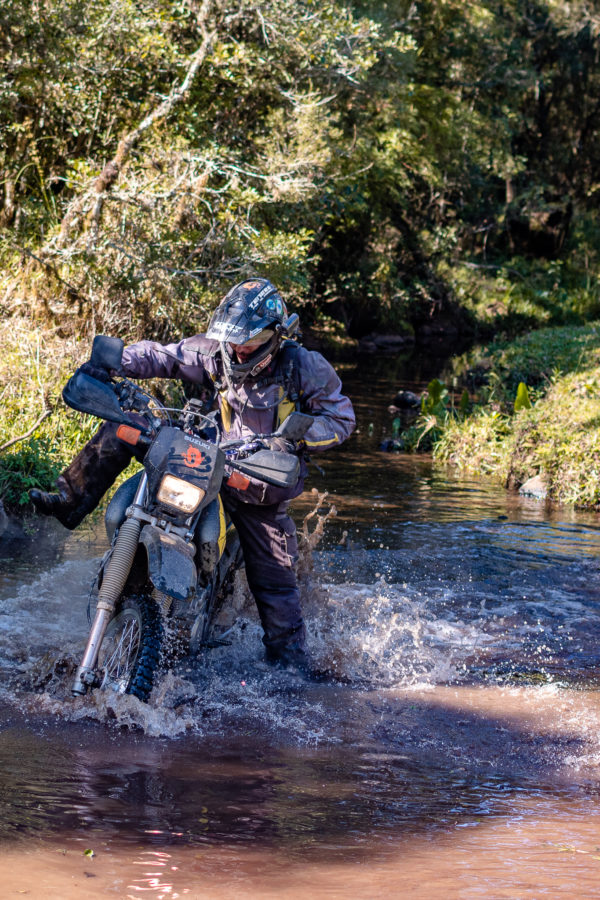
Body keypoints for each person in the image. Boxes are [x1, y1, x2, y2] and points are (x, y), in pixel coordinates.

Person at [30, 278, 355, 674]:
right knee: (122, 426)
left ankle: (289, 675)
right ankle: (69, 497)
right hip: (201, 457)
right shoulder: (214, 352)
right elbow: (162, 356)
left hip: (256, 480)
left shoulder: (303, 367)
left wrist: (295, 440)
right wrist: (117, 362)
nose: (237, 351)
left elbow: (341, 419)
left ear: (275, 337)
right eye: (232, 341)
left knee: (276, 583)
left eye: (247, 344)